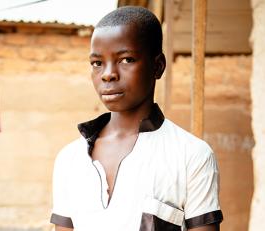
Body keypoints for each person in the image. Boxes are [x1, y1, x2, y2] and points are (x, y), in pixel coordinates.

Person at [50, 6, 223, 231]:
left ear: (158, 66)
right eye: (97, 63)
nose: (107, 74)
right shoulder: (70, 159)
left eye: (126, 59)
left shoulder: (192, 156)